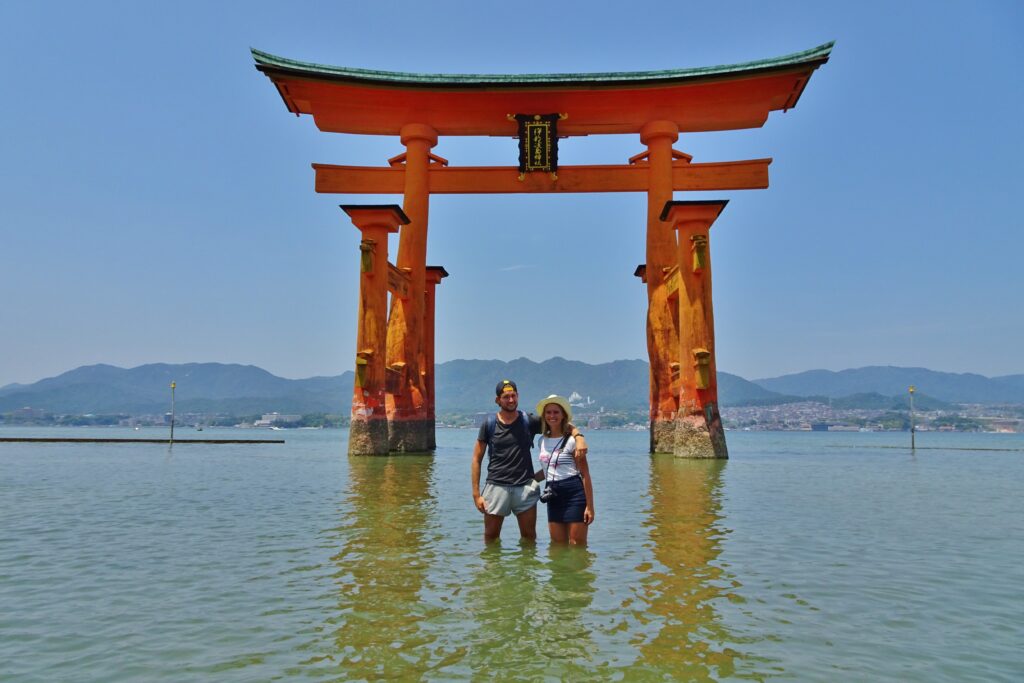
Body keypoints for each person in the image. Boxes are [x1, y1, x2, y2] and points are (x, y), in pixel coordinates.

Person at [471, 380, 587, 544]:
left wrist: (578, 436)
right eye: (506, 397)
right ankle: (492, 569)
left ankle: (527, 570)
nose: (511, 400)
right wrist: (476, 494)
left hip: (524, 487)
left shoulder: (528, 421)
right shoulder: (489, 424)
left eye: (513, 396)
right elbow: (477, 458)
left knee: (529, 537)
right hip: (496, 486)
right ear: (498, 400)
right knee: (490, 537)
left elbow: (558, 422)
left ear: (518, 396)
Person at [535, 394, 594, 545]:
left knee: (576, 544)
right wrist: (529, 479)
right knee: (557, 545)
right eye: (548, 412)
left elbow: (585, 475)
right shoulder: (541, 441)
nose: (552, 416)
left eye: (556, 412)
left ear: (563, 415)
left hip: (574, 493)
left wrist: (590, 507)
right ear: (544, 416)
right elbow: (548, 469)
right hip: (552, 494)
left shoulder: (573, 441)